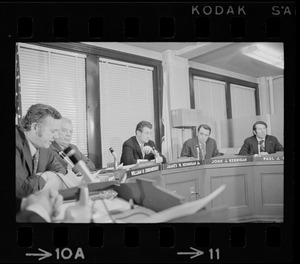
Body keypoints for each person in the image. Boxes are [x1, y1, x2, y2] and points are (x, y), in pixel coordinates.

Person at [16, 104, 67, 198]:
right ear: (35, 127)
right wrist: (44, 176)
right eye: (53, 131)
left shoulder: (43, 146)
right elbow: (20, 191)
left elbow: (61, 170)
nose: (57, 137)